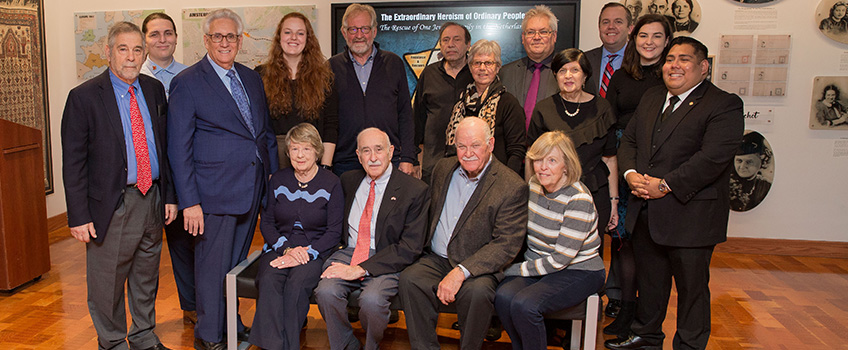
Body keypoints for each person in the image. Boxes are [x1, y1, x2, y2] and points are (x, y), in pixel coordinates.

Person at [607, 36, 744, 350]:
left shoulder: (724, 104)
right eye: (670, 59)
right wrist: (630, 175)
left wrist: (664, 185)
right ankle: (647, 335)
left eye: (684, 59)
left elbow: (712, 159)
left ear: (703, 67)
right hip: (647, 210)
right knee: (651, 282)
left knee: (692, 289)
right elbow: (628, 141)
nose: (674, 65)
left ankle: (690, 344)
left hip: (691, 215)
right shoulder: (653, 97)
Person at [61, 21, 177, 350]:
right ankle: (112, 342)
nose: (131, 57)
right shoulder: (83, 97)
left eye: (137, 49)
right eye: (123, 49)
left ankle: (143, 336)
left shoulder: (153, 90)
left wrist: (169, 195)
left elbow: (164, 147)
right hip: (111, 204)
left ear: (145, 54)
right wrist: (78, 216)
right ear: (108, 52)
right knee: (107, 282)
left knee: (146, 275)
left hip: (152, 198)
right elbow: (73, 162)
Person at [168, 9, 279, 350]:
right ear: (206, 40)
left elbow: (263, 134)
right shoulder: (187, 82)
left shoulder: (251, 78)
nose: (225, 43)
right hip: (212, 196)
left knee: (235, 268)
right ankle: (209, 335)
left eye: (231, 36)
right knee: (211, 269)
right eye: (218, 36)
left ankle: (231, 323)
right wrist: (190, 202)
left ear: (240, 40)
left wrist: (272, 183)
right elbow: (178, 148)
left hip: (250, 189)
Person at [399, 117, 528, 350]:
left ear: (490, 144)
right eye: (461, 146)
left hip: (478, 266)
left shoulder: (511, 186)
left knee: (476, 294)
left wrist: (461, 272)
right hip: (437, 258)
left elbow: (506, 244)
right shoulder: (443, 168)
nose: (468, 153)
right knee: (411, 279)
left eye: (475, 145)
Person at [314, 127, 429, 350]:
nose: (373, 157)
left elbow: (410, 247)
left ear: (391, 151)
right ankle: (346, 344)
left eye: (379, 149)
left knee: (372, 302)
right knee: (325, 292)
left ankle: (371, 346)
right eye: (366, 151)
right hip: (349, 252)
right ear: (358, 155)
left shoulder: (414, 190)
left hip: (387, 256)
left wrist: (361, 269)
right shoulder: (348, 180)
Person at [494, 131, 605, 350]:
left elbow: (560, 260)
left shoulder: (578, 199)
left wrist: (511, 270)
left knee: (525, 305)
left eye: (552, 160)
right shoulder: (535, 184)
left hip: (578, 270)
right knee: (503, 297)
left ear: (566, 164)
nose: (543, 167)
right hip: (540, 263)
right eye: (538, 160)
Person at [602, 14, 673, 337]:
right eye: (644, 35)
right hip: (623, 162)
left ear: (667, 41)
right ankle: (625, 308)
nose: (649, 42)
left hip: (658, 168)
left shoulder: (671, 78)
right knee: (623, 243)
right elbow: (609, 121)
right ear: (635, 38)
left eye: (657, 37)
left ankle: (647, 319)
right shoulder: (620, 76)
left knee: (650, 247)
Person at [247, 123, 343, 350]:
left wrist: (306, 252)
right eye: (294, 149)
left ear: (317, 152)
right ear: (288, 152)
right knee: (269, 279)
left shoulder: (332, 183)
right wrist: (287, 249)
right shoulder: (278, 180)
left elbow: (334, 232)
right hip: (280, 248)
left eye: (307, 149)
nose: (300, 155)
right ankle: (272, 347)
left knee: (297, 285)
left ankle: (289, 346)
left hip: (314, 251)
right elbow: (268, 223)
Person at [527, 48, 619, 264]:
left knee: (589, 256)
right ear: (556, 76)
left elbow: (610, 158)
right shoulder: (544, 109)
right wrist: (531, 193)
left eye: (574, 70)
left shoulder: (602, 108)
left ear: (585, 75)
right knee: (551, 253)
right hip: (551, 195)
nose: (568, 76)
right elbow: (532, 157)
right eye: (562, 71)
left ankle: (590, 296)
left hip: (595, 192)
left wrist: (614, 201)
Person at [138, 12, 197, 326]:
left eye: (168, 33)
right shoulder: (135, 77)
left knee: (186, 243)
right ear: (145, 39)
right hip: (148, 177)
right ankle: (143, 323)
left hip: (185, 172)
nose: (162, 39)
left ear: (176, 37)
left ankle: (193, 306)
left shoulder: (189, 76)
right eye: (154, 34)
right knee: (147, 252)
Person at [328, 3, 415, 176]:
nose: (359, 35)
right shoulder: (331, 67)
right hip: (346, 162)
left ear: (374, 31)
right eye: (353, 29)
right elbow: (329, 120)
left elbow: (405, 113)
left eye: (365, 29)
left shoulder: (394, 63)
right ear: (344, 33)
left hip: (388, 159)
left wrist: (408, 158)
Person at [255, 12, 337, 168]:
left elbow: (331, 126)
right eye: (288, 32)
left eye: (300, 33)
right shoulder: (260, 75)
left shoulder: (325, 77)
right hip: (274, 161)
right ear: (279, 37)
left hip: (313, 160)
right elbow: (258, 128)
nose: (293, 37)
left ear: (308, 39)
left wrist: (325, 168)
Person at [444, 39, 526, 175]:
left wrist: (506, 182)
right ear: (470, 68)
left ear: (498, 67)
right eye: (477, 63)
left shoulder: (508, 103)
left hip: (496, 179)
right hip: (461, 177)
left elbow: (516, 151)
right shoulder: (460, 103)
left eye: (488, 63)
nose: (482, 68)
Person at [414, 22, 473, 184]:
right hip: (433, 161)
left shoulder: (477, 75)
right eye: (445, 40)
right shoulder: (429, 73)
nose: (450, 45)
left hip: (470, 162)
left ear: (468, 45)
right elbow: (418, 118)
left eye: (457, 40)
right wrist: (414, 158)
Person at [499, 5, 560, 131]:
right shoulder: (505, 73)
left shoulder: (566, 73)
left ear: (554, 36)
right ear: (523, 38)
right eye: (531, 32)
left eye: (543, 32)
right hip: (514, 148)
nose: (536, 37)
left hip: (553, 148)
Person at [584, 2, 634, 97]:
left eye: (618, 22)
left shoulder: (638, 59)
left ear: (630, 29)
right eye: (606, 22)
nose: (611, 27)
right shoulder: (585, 59)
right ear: (599, 27)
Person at [729, 132, 773, 212]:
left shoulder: (764, 186)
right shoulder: (727, 184)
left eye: (749, 162)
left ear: (762, 162)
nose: (742, 167)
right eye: (739, 161)